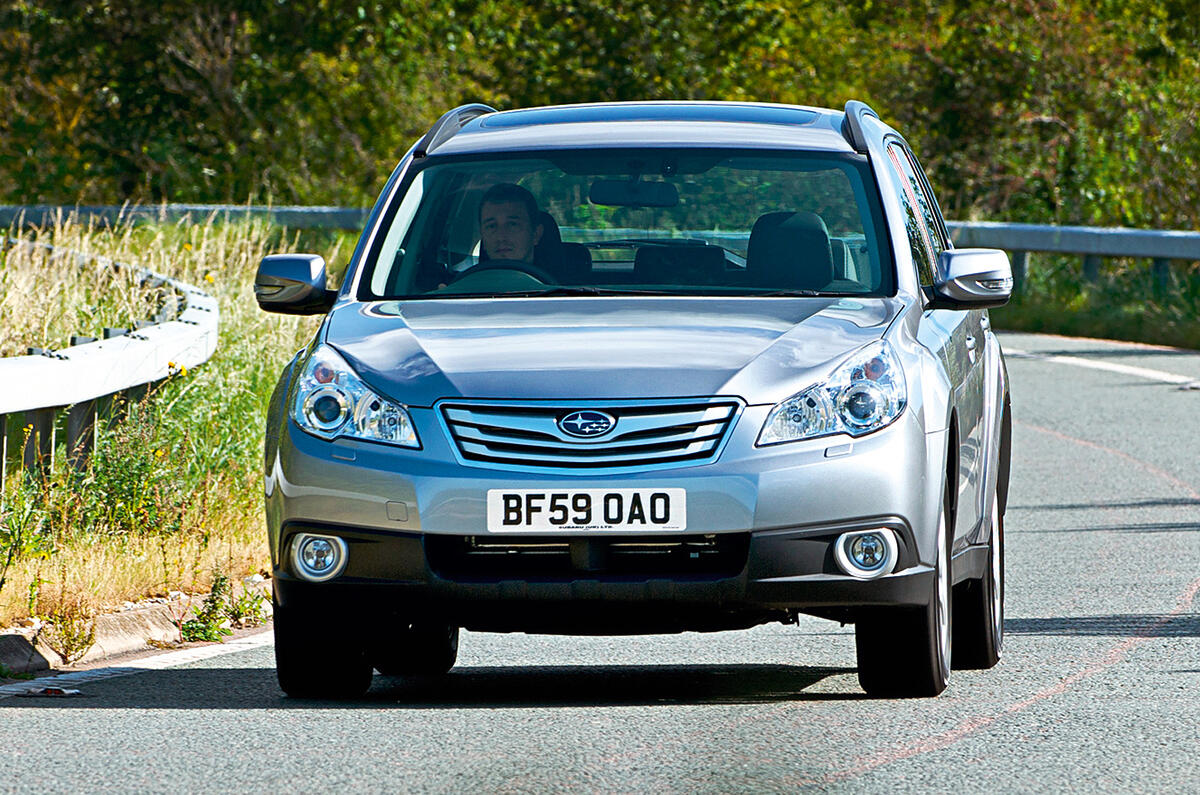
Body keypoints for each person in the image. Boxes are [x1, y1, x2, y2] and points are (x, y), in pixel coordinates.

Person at [477, 182, 544, 264]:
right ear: (482, 237)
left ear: (536, 234)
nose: (501, 237)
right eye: (491, 226)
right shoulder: (467, 277)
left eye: (512, 224)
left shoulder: (561, 277)